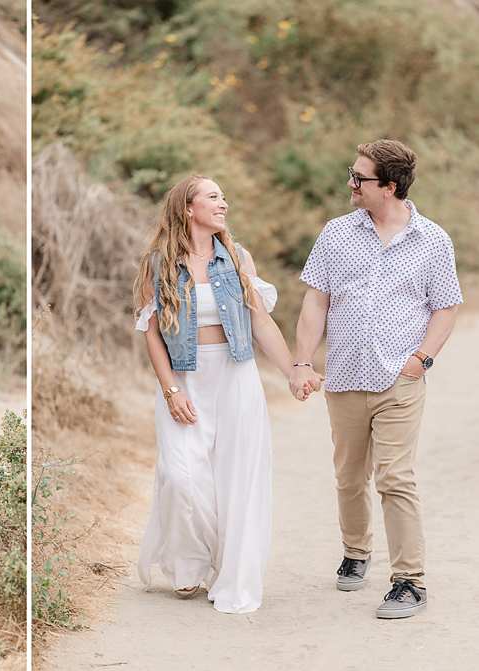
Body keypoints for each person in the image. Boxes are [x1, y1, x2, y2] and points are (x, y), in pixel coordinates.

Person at [290, 139, 462, 619]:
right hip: (343, 376)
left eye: (359, 177)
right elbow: (315, 300)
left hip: (400, 379)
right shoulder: (336, 233)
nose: (350, 182)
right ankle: (356, 551)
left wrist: (421, 359)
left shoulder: (433, 240)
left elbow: (446, 306)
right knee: (349, 477)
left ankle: (410, 582)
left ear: (388, 188)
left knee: (395, 477)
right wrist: (303, 361)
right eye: (352, 172)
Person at [133, 174, 308, 614]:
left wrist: (294, 371)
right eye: (213, 197)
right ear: (187, 208)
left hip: (236, 376)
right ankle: (190, 561)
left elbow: (261, 322)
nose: (223, 203)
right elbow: (152, 335)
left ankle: (229, 570)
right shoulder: (158, 263)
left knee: (236, 479)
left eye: (224, 197)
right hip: (186, 380)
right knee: (182, 477)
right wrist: (171, 389)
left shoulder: (236, 257)